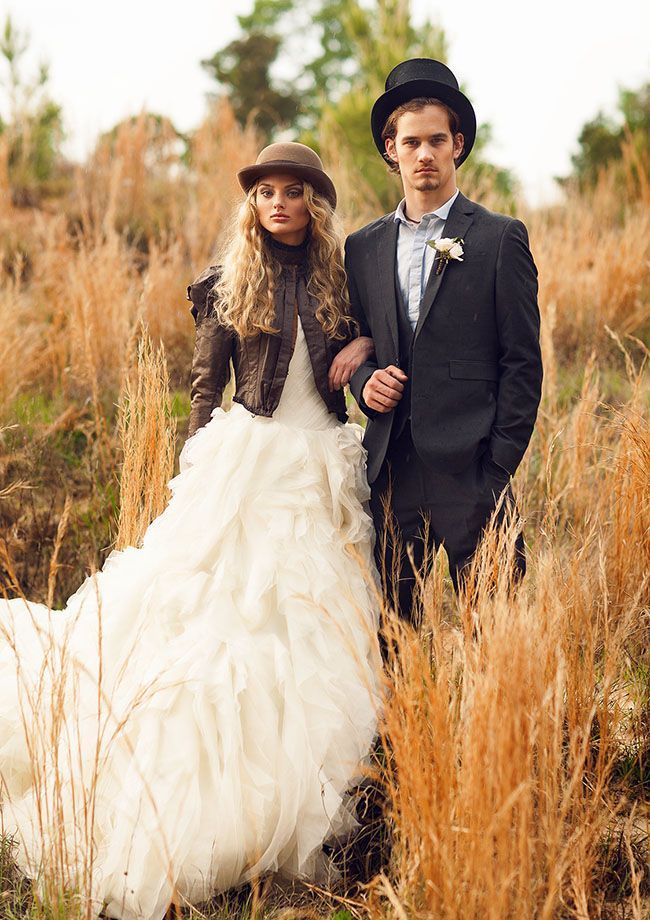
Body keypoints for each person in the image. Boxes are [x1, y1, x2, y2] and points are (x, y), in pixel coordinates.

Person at [0, 142, 382, 920]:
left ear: (314, 202)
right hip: (248, 462)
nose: (278, 203)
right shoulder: (228, 281)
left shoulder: (344, 276)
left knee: (313, 629)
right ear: (253, 206)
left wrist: (365, 346)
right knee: (223, 620)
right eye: (265, 192)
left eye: (293, 192)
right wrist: (203, 473)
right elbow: (206, 386)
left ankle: (313, 786)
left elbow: (371, 343)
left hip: (320, 469)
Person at [345, 59, 543, 621]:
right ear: (392, 150)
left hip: (473, 472)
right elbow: (355, 342)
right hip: (391, 474)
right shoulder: (362, 247)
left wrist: (497, 466)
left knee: (496, 638)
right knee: (393, 640)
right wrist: (364, 383)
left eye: (437, 140)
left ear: (457, 144)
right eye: (411, 143)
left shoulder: (500, 238)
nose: (424, 154)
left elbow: (523, 363)